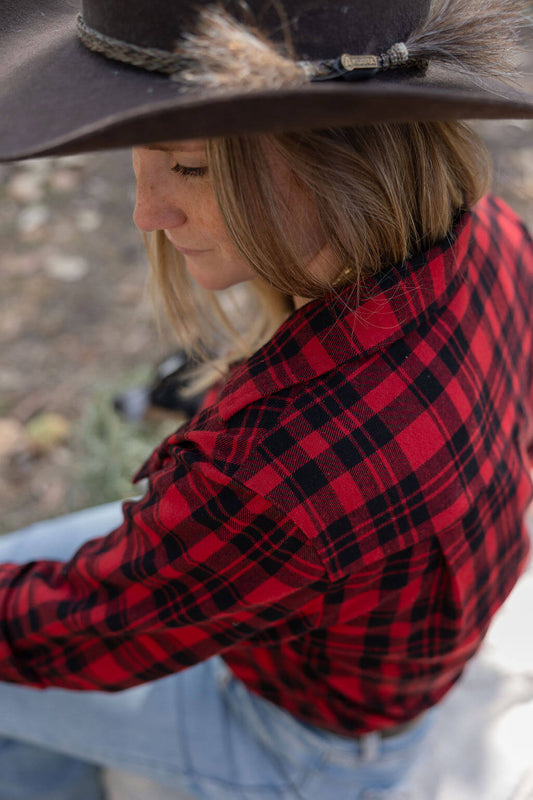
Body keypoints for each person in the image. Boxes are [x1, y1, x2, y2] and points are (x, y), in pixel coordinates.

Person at [0, 0, 532, 798]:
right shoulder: (491, 236)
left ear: (339, 160)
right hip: (375, 652)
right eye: (138, 158)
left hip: (300, 746)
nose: (147, 211)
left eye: (189, 168)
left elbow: (92, 636)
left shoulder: (274, 462)